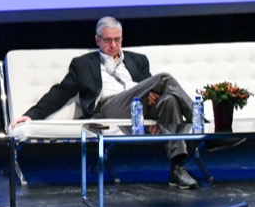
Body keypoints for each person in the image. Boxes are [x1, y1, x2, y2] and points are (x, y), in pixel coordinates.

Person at [10, 16, 199, 189]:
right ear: (97, 40)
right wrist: (32, 115)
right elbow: (61, 91)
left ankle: (177, 169)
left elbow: (148, 86)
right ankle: (201, 124)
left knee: (169, 101)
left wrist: (154, 95)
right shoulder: (83, 64)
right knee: (164, 78)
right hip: (110, 107)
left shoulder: (138, 60)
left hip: (139, 107)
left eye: (117, 39)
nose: (113, 45)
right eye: (108, 40)